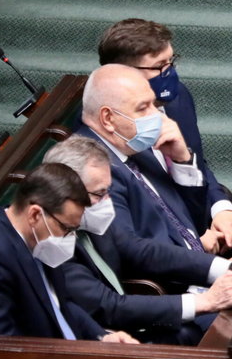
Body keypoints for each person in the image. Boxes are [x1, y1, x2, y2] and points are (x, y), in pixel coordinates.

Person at [44, 135, 232, 344]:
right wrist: (204, 302)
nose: (107, 202)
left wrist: (230, 269)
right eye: (100, 193)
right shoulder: (51, 244)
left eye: (108, 191)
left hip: (128, 326)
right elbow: (107, 306)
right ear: (64, 193)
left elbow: (147, 254)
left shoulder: (92, 220)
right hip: (98, 343)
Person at [97, 18, 232, 251]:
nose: (169, 73)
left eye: (171, 61)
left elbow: (198, 164)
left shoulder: (176, 99)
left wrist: (222, 209)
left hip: (202, 229)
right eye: (159, 66)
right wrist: (192, 242)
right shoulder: (108, 131)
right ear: (121, 74)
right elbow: (139, 220)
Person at [77, 63, 223, 254]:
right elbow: (137, 254)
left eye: (153, 105)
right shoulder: (96, 170)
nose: (157, 116)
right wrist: (221, 268)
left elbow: (196, 222)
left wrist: (182, 160)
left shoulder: (138, 148)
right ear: (108, 118)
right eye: (143, 108)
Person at [0, 163, 137, 343]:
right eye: (66, 228)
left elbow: (62, 304)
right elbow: (3, 348)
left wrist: (103, 337)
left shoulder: (39, 239)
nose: (70, 238)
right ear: (35, 215)